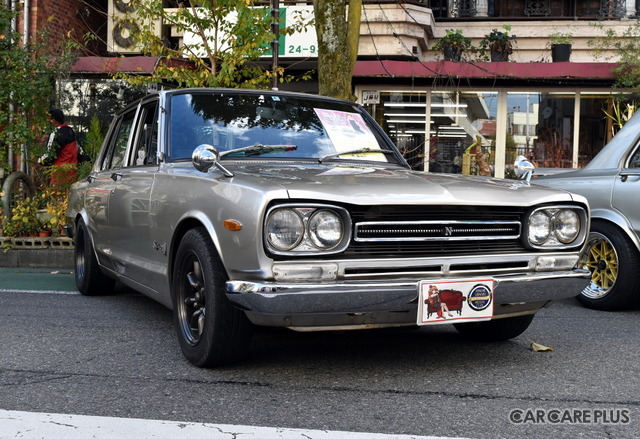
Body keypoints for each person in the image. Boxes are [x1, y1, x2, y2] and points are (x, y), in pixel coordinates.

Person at [39, 109, 78, 185]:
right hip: (73, 172)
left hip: (59, 173)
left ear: (53, 120)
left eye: (49, 119)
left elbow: (50, 155)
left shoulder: (55, 132)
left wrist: (40, 161)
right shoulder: (70, 130)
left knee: (55, 195)